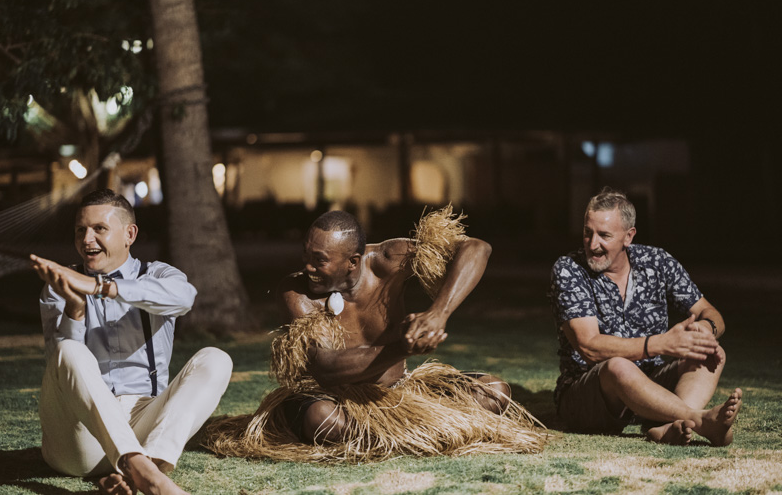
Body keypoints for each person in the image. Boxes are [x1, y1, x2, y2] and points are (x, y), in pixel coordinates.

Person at [205, 206, 546, 462]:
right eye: (305, 255)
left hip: (397, 394)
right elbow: (325, 367)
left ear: (353, 261)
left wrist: (437, 314)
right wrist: (404, 346)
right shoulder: (297, 293)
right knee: (323, 420)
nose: (307, 267)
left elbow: (476, 248)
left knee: (495, 391)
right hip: (334, 401)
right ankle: (420, 436)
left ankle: (397, 436)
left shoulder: (386, 261)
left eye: (319, 260)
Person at [31, 189, 233, 495]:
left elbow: (184, 298)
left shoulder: (157, 275)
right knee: (68, 349)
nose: (87, 240)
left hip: (143, 425)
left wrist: (105, 288)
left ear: (129, 234)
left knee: (216, 359)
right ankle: (146, 475)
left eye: (99, 229)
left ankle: (144, 469)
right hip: (79, 437)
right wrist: (75, 309)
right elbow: (60, 367)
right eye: (80, 230)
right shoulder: (61, 285)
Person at [549, 187, 742, 446]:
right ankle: (699, 421)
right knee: (618, 365)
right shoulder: (569, 269)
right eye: (587, 232)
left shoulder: (657, 261)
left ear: (628, 237)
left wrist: (705, 330)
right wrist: (660, 344)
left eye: (604, 235)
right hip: (589, 394)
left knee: (710, 352)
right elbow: (589, 347)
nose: (592, 244)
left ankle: (664, 425)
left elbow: (710, 312)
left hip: (651, 386)